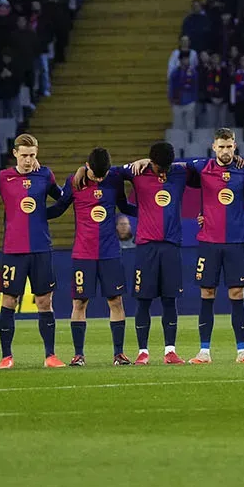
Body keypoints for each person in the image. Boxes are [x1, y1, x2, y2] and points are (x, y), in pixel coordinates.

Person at [185, 128, 244, 363]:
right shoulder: (201, 168)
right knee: (207, 292)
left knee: (237, 293)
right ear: (213, 147)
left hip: (236, 241)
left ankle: (242, 351)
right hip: (209, 242)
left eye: (229, 146)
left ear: (235, 146)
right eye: (222, 146)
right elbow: (175, 170)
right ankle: (204, 351)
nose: (226, 150)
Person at [0, 132, 66, 369]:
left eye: (32, 155)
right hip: (13, 250)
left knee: (45, 301)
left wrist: (46, 214)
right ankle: (6, 356)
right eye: (23, 155)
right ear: (14, 154)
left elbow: (63, 199)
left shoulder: (45, 175)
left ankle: (50, 356)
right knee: (9, 300)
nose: (28, 160)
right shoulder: (3, 178)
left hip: (41, 248)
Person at [62, 147, 136, 366]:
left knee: (116, 301)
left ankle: (119, 354)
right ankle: (78, 355)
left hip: (110, 252)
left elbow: (124, 205)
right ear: (87, 167)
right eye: (97, 174)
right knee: (80, 302)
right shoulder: (74, 182)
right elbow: (59, 207)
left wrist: (151, 210)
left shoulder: (114, 179)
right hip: (83, 253)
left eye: (104, 174)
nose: (101, 178)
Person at [121, 140, 192, 363]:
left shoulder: (179, 172)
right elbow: (110, 172)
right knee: (143, 300)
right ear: (151, 161)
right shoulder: (138, 172)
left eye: (166, 168)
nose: (163, 172)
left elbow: (204, 167)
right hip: (146, 247)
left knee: (170, 300)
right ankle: (143, 352)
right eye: (159, 167)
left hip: (171, 246)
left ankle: (170, 351)